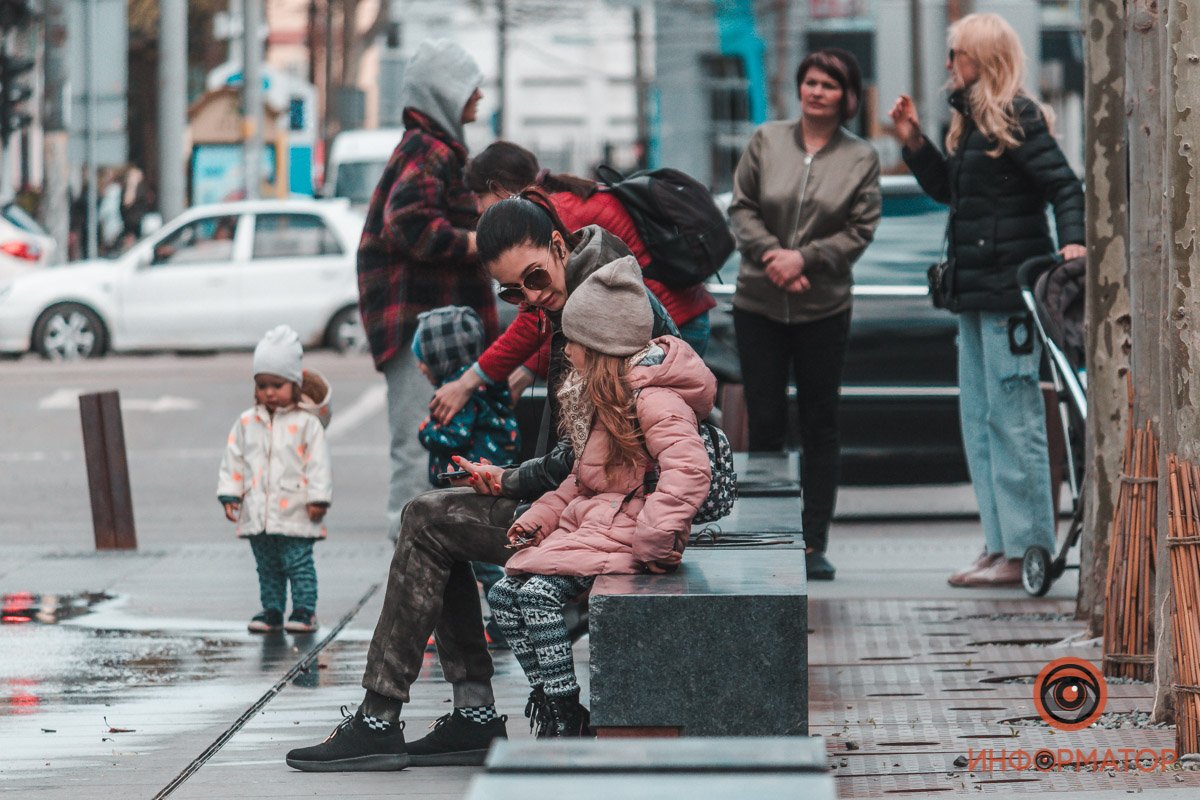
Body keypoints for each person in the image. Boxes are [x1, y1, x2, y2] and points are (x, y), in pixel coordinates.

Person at [284, 196, 679, 772]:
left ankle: (391, 717)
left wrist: (509, 479)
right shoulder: (584, 290)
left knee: (427, 520)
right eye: (514, 293)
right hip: (588, 507)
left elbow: (588, 455)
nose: (532, 299)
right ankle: (465, 715)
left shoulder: (607, 307)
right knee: (432, 516)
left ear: (559, 246)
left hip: (613, 519)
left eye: (535, 279)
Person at [888, 13, 1085, 587]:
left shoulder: (1015, 115)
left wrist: (1071, 242)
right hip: (978, 288)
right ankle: (1000, 545)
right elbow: (952, 191)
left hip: (1009, 290)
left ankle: (1025, 548)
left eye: (956, 54)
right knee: (980, 419)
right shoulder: (973, 122)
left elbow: (1064, 185)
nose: (949, 64)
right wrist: (915, 142)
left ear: (980, 57)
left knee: (1012, 417)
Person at [487, 256, 714, 737]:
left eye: (574, 343)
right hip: (596, 527)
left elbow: (690, 468)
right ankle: (554, 700)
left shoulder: (654, 398)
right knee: (505, 595)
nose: (566, 351)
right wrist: (540, 518)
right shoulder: (602, 400)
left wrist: (655, 534)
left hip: (631, 535)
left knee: (539, 598)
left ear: (601, 347)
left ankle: (566, 715)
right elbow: (581, 480)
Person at [728, 48, 881, 581]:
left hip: (824, 307)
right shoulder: (766, 140)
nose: (817, 91)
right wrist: (773, 255)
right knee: (765, 422)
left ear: (848, 97)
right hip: (758, 304)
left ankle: (813, 543)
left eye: (829, 85)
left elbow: (859, 230)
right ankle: (766, 536)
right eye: (810, 82)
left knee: (820, 424)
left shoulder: (861, 158)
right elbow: (741, 207)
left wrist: (806, 259)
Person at [356, 38, 498, 542]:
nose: (479, 95)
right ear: (445, 92)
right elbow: (409, 221)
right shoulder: (429, 150)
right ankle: (413, 569)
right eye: (469, 86)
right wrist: (479, 243)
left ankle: (431, 565)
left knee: (435, 440)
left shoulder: (436, 148)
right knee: (420, 443)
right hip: (418, 325)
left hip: (428, 323)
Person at [465, 141, 716, 355]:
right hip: (662, 319)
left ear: (498, 187)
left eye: (478, 195)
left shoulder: (557, 214)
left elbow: (533, 323)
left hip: (670, 324)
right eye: (512, 292)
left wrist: (478, 378)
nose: (477, 208)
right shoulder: (553, 206)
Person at [412, 304, 519, 638]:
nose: (419, 365)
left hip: (469, 491)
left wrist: (426, 430)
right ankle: (463, 625)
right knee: (472, 558)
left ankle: (504, 623)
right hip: (477, 488)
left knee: (481, 561)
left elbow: (454, 436)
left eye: (423, 357)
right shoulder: (480, 388)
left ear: (440, 359)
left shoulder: (458, 396)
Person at [217, 325, 332, 634]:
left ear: (295, 384)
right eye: (262, 385)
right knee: (267, 567)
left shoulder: (307, 424)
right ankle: (272, 610)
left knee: (298, 563)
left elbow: (317, 464)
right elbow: (234, 460)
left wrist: (317, 498)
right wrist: (231, 494)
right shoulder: (246, 423)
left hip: (296, 509)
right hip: (259, 513)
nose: (269, 392)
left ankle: (305, 610)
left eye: (277, 385)